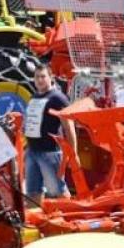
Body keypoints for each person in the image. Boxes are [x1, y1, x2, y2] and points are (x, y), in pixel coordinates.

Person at [24, 64, 76, 203]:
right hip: (32, 151)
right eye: (37, 77)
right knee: (33, 192)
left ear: (50, 78)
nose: (39, 80)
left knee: (58, 191)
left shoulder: (58, 98)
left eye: (43, 77)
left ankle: (68, 218)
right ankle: (35, 223)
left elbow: (69, 126)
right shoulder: (34, 96)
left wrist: (72, 154)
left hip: (50, 153)